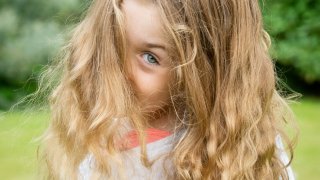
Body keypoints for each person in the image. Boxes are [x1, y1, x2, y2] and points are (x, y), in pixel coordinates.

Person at [38, 0, 299, 179]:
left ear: (202, 74)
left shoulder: (246, 148)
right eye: (114, 44)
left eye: (151, 57)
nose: (120, 71)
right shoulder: (111, 137)